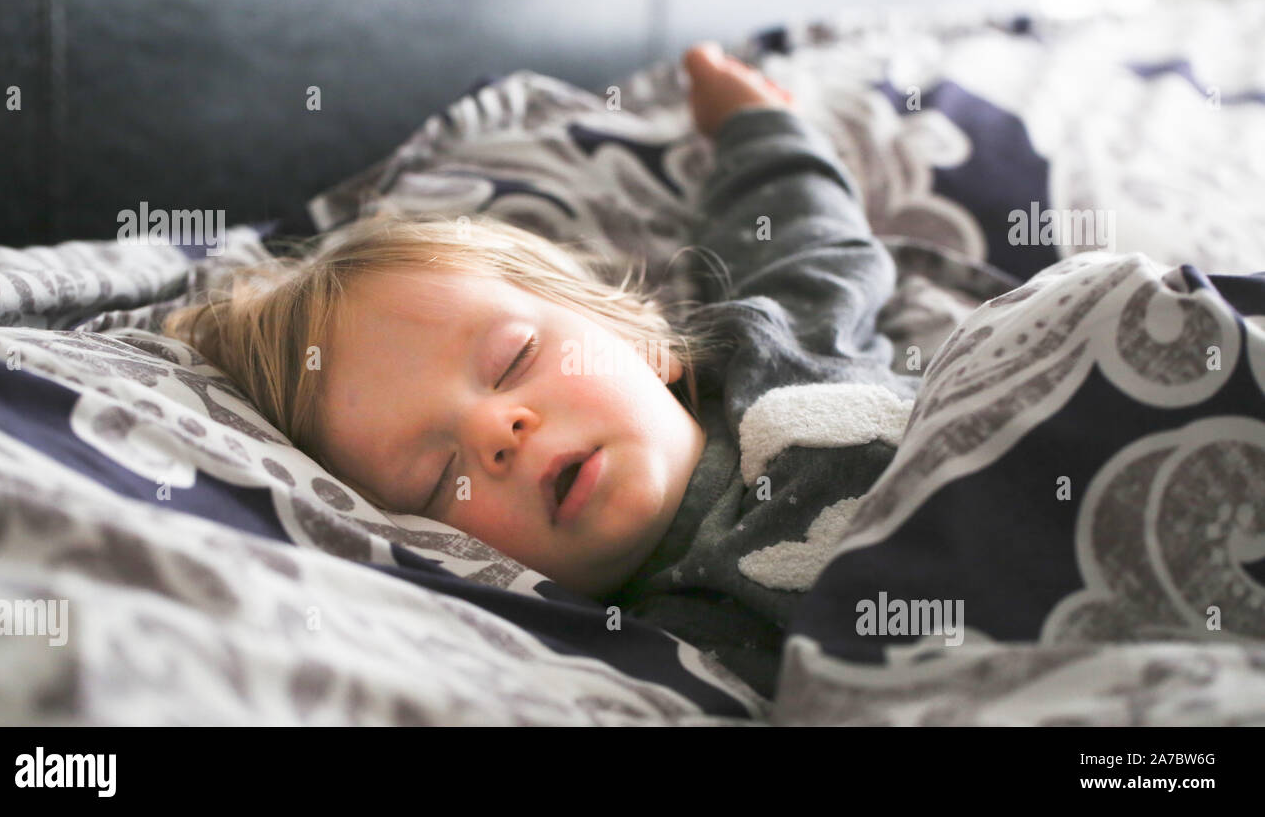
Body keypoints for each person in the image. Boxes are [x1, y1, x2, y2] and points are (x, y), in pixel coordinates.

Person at [163, 42, 920, 698]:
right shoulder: (638, 657)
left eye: (513, 360)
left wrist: (749, 118)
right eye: (436, 477)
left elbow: (805, 235)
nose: (499, 428)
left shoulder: (781, 357)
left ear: (640, 336)